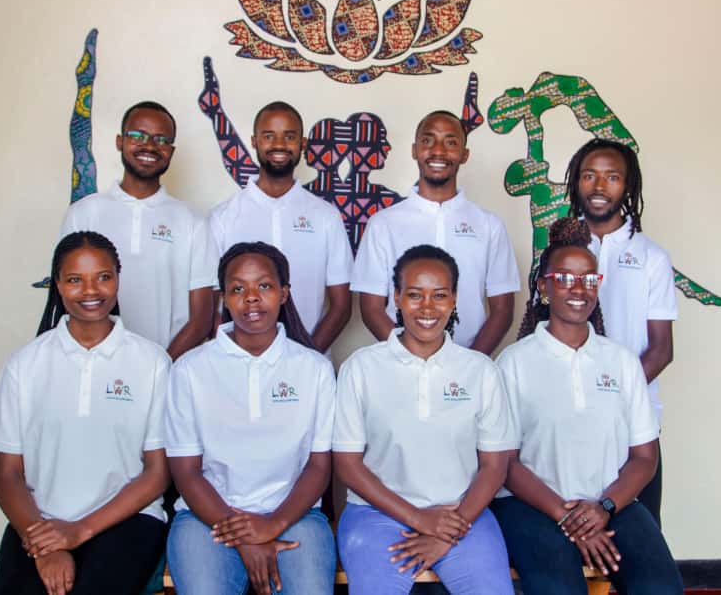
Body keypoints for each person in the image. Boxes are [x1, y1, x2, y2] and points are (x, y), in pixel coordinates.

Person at [490, 218, 683, 594]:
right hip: (531, 506)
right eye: (564, 278)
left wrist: (603, 507)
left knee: (660, 586)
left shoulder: (622, 362)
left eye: (589, 279)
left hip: (609, 504)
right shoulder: (513, 363)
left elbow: (644, 458)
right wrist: (567, 517)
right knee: (558, 587)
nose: (578, 289)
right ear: (544, 287)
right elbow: (505, 465)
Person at [0, 231, 170, 595]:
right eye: (75, 280)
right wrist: (46, 545)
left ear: (118, 278)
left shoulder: (152, 363)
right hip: (40, 520)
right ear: (57, 284)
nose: (91, 291)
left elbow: (157, 473)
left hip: (127, 521)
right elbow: (7, 474)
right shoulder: (25, 365)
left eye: (103, 277)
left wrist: (77, 532)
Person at [334, 245, 516, 594]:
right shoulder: (361, 367)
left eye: (440, 295)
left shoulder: (480, 371)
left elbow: (495, 466)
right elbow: (347, 465)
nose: (427, 307)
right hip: (375, 515)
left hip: (462, 515)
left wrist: (449, 529)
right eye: (415, 295)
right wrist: (419, 519)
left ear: (455, 299)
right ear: (397, 297)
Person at [164, 242, 337, 595]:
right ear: (224, 298)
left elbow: (319, 466)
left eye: (265, 286)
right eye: (238, 289)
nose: (252, 298)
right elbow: (186, 472)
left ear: (284, 293)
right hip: (205, 517)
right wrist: (245, 537)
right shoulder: (190, 370)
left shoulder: (315, 369)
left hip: (295, 515)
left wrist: (273, 524)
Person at [565, 138, 677, 524]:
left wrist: (612, 398)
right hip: (570, 416)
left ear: (628, 186)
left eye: (612, 177)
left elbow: (661, 350)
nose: (599, 186)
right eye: (589, 175)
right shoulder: (559, 251)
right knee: (573, 527)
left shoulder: (652, 258)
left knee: (639, 532)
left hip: (632, 421)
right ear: (576, 182)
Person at [351, 110, 520, 355]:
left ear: (464, 154)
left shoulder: (489, 225)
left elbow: (502, 311)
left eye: (450, 142)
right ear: (414, 150)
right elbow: (371, 308)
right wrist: (408, 358)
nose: (438, 151)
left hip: (468, 366)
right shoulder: (383, 224)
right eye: (428, 140)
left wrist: (470, 364)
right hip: (398, 364)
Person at [61, 101, 217, 360]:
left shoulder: (192, 222)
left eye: (161, 139)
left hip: (170, 367)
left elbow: (201, 319)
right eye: (138, 135)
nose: (150, 146)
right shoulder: (84, 213)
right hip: (93, 364)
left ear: (171, 151)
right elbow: (67, 297)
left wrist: (159, 369)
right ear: (119, 141)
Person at [209, 101, 353, 352]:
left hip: (310, 361)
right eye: (268, 136)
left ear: (303, 143)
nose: (279, 144)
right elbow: (213, 307)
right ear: (254, 141)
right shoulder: (223, 217)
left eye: (289, 136)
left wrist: (306, 358)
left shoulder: (326, 216)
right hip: (238, 363)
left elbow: (341, 307)